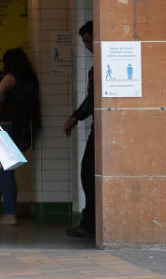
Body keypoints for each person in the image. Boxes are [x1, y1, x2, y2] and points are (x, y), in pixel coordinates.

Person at [0, 47, 41, 224]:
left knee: (3, 170)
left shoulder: (10, 78)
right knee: (3, 169)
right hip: (25, 129)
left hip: (9, 129)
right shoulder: (30, 79)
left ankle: (9, 213)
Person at [64, 21, 95, 238]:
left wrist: (75, 118)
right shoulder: (97, 65)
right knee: (88, 174)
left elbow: (93, 99)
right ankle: (90, 221)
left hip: (102, 131)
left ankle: (91, 223)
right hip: (99, 128)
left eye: (88, 40)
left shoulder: (101, 66)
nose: (86, 46)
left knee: (88, 173)